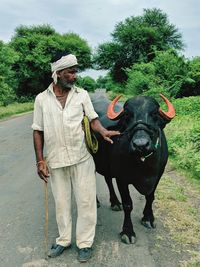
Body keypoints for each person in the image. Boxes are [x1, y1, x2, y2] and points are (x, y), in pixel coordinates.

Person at [32, 53, 120, 263]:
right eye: (70, 72)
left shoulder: (81, 95)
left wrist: (103, 131)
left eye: (75, 71)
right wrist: (40, 160)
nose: (74, 76)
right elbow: (38, 130)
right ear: (57, 74)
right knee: (62, 203)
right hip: (56, 161)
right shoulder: (41, 99)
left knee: (86, 202)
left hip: (82, 159)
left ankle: (85, 243)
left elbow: (93, 119)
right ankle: (63, 240)